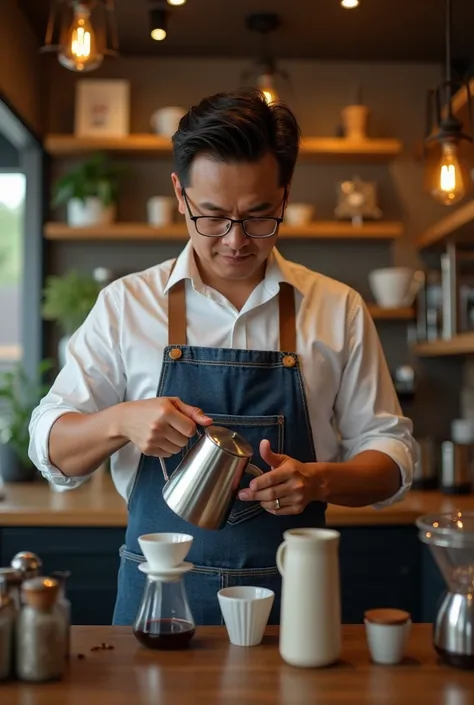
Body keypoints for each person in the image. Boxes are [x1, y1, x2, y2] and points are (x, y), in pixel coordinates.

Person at [29, 88, 417, 626]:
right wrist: (121, 420)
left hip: (294, 607)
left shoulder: (337, 307)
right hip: (156, 603)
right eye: (211, 217)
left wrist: (318, 481)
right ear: (180, 194)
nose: (235, 241)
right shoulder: (126, 305)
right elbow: (51, 447)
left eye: (259, 216)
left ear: (283, 197)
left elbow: (391, 454)